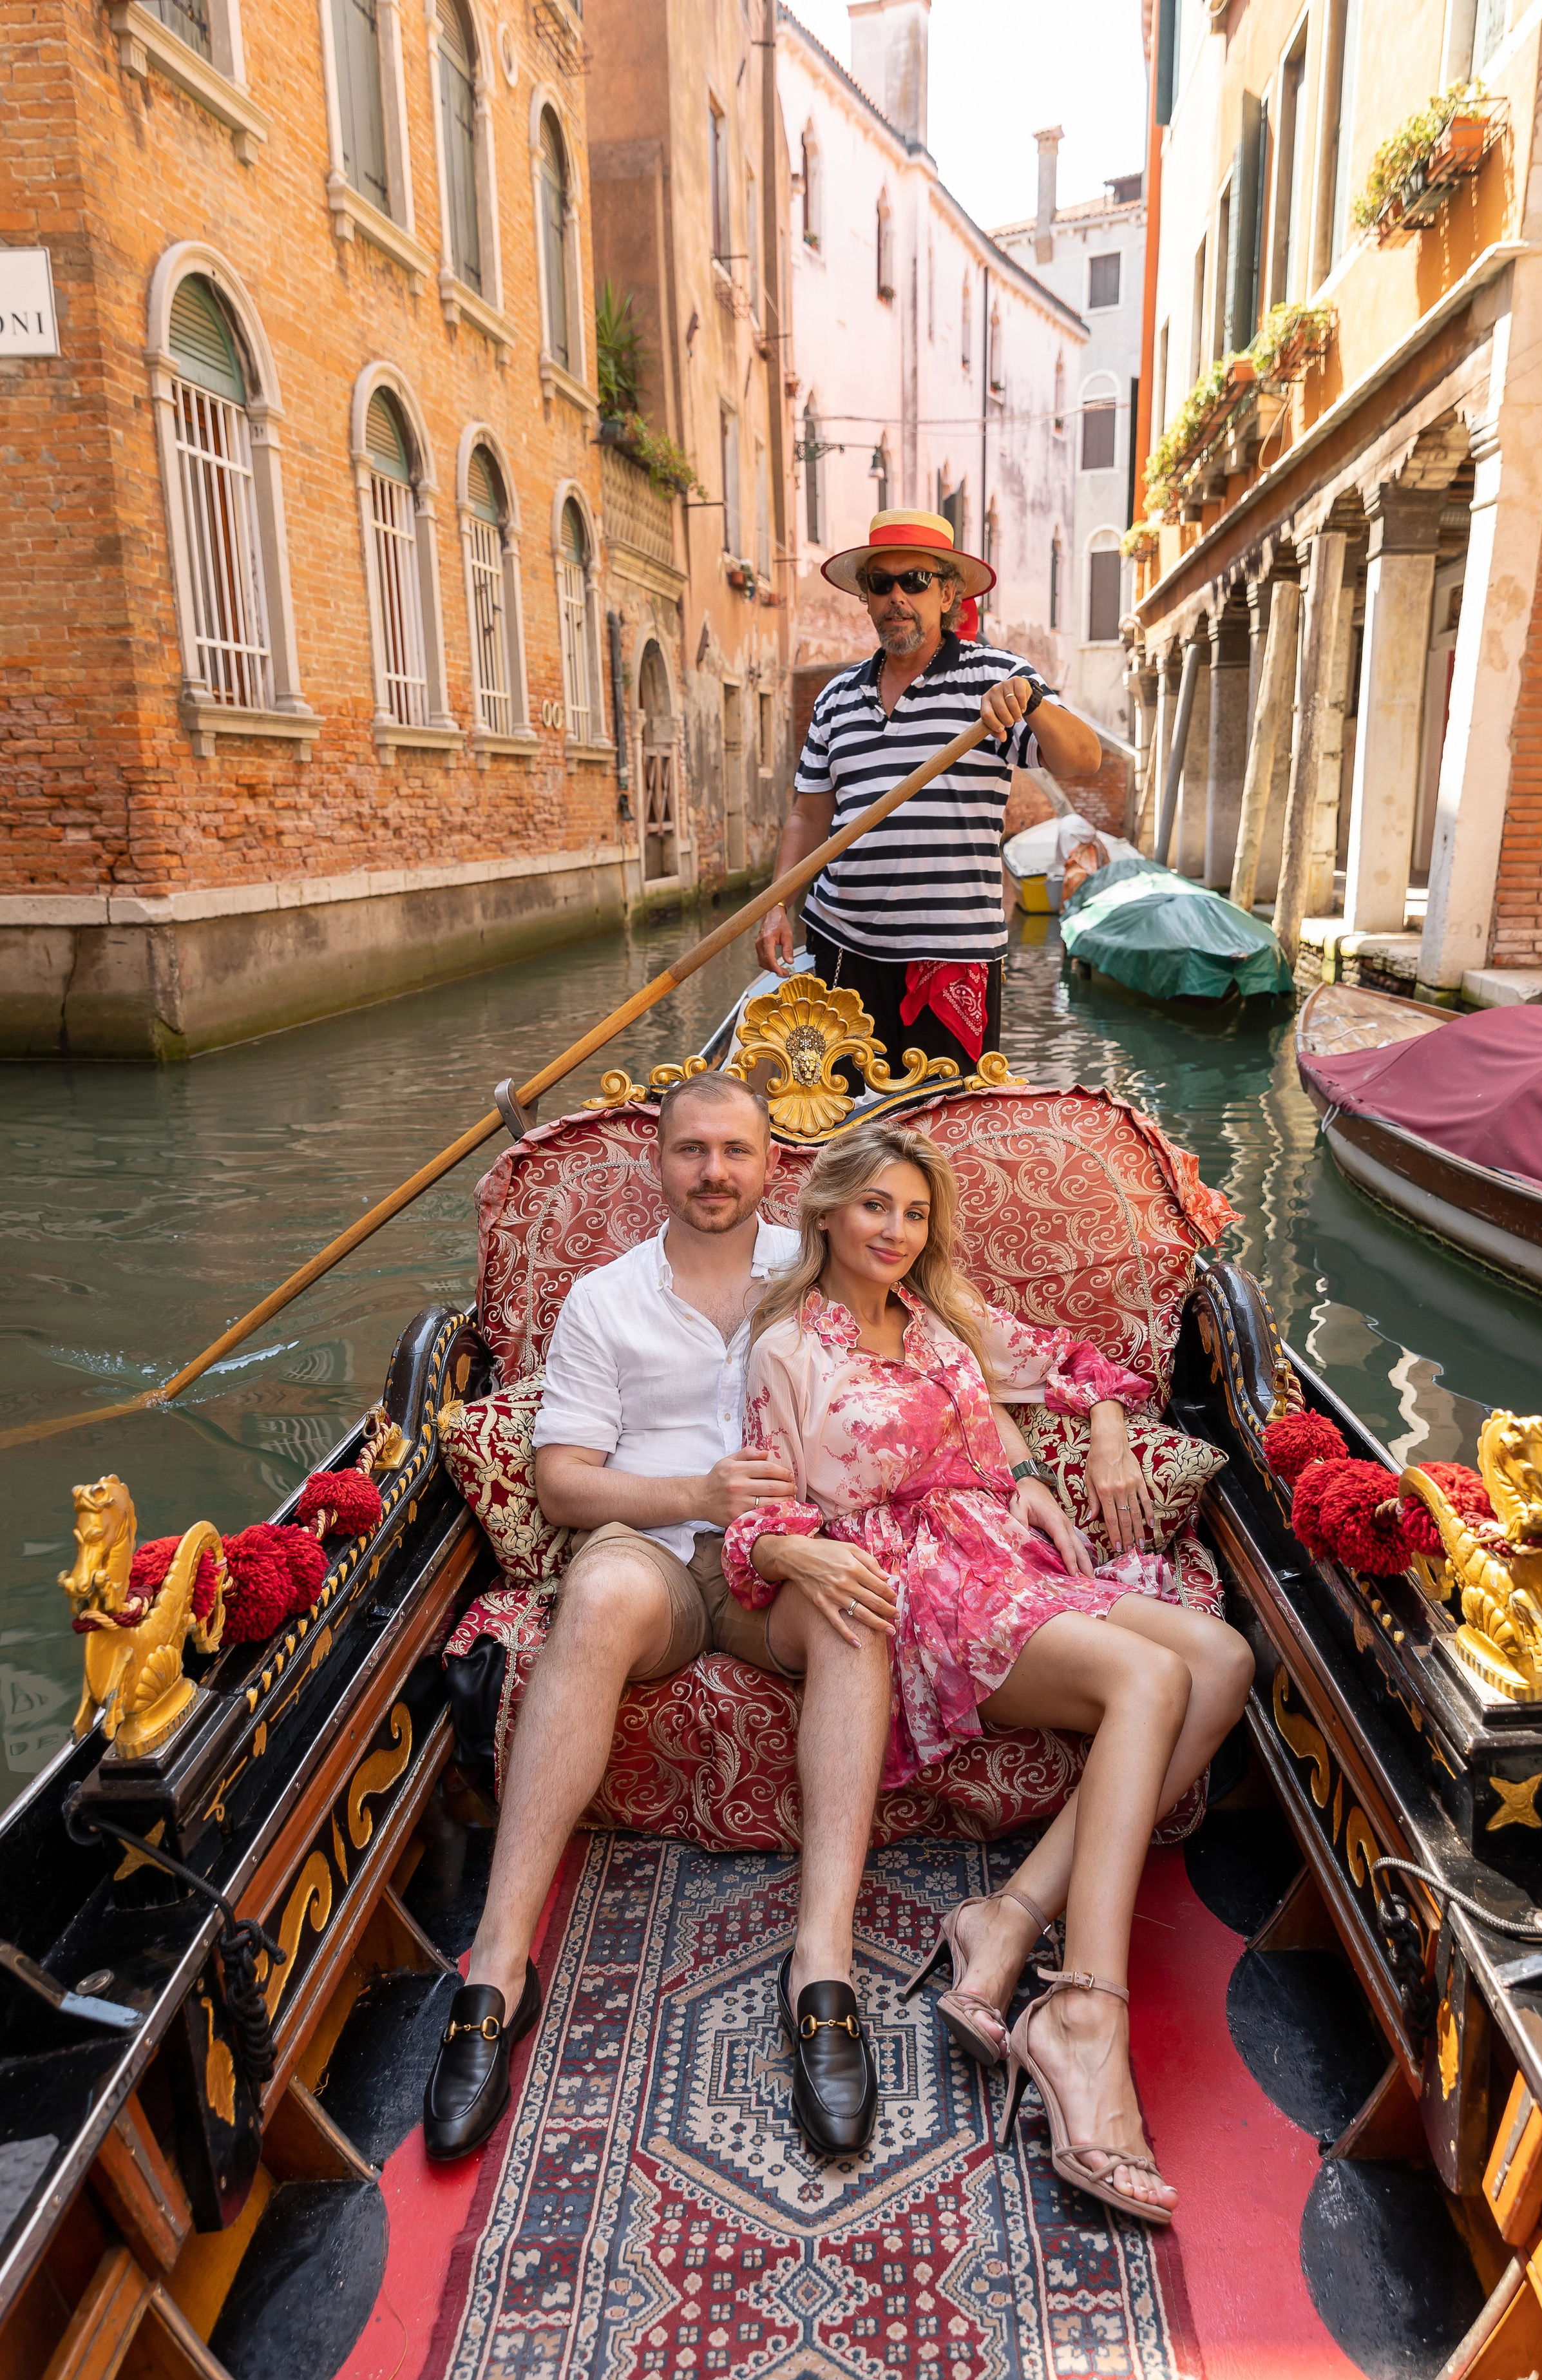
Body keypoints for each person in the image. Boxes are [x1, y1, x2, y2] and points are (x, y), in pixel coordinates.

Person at [721, 1123, 1255, 2225]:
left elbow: (1074, 1366)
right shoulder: (787, 1349)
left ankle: (1006, 1921)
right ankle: (1083, 2015)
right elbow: (760, 1518)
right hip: (916, 1588)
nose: (896, 1232)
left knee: (1223, 1657)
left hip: (1004, 1560)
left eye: (914, 1213)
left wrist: (1089, 1438)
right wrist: (797, 1547)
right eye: (875, 1207)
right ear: (826, 1211)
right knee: (1150, 1686)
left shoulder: (940, 1318)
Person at [423, 1075, 889, 2165]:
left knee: (858, 1610)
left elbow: (966, 1343)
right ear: (659, 1162)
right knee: (596, 1592)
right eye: (692, 1151)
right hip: (662, 1560)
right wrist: (694, 1497)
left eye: (737, 1151)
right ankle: (498, 1964)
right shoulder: (605, 1299)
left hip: (779, 1565)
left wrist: (1098, 1416)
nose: (715, 1172)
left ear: (777, 1164)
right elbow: (564, 1485)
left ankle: (821, 1963)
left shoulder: (819, 1268)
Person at [756, 508, 1105, 1077]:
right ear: (866, 598)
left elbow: (1085, 760)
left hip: (951, 959)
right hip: (840, 947)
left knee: (937, 1142)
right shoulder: (835, 698)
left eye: (914, 581)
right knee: (836, 1135)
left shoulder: (997, 680)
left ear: (947, 594)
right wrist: (774, 905)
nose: (897, 596)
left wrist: (1033, 701)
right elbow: (808, 814)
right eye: (881, 583)